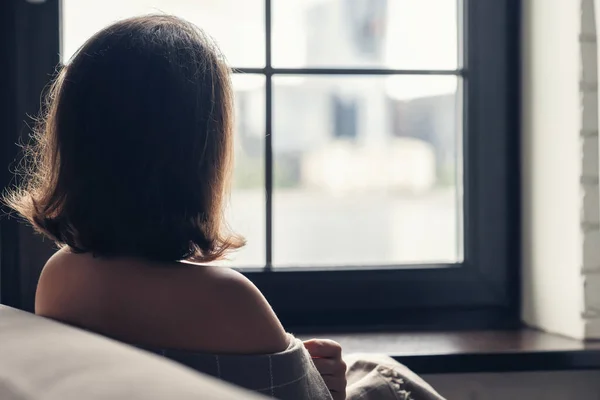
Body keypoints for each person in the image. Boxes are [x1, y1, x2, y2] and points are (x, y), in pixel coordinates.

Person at [3, 15, 445, 400]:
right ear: (201, 159)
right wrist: (325, 388)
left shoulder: (60, 278)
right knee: (387, 377)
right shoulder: (231, 300)